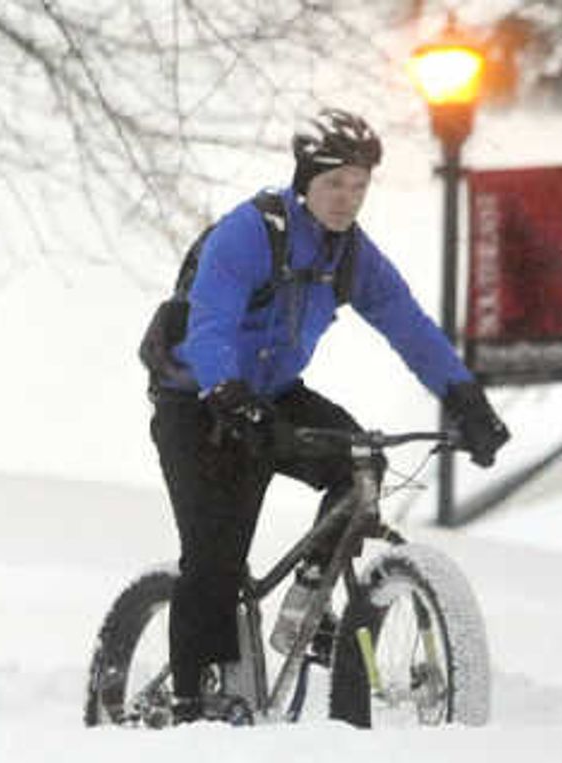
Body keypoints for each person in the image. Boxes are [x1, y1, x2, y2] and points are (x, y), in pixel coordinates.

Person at [143, 108, 511, 724]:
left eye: (360, 185)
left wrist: (466, 400)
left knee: (360, 460)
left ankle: (306, 606)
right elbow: (209, 325)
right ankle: (190, 704)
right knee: (215, 557)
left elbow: (411, 328)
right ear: (305, 181)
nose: (348, 199)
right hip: (199, 402)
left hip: (276, 392)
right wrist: (230, 397)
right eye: (335, 183)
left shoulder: (351, 256)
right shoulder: (248, 234)